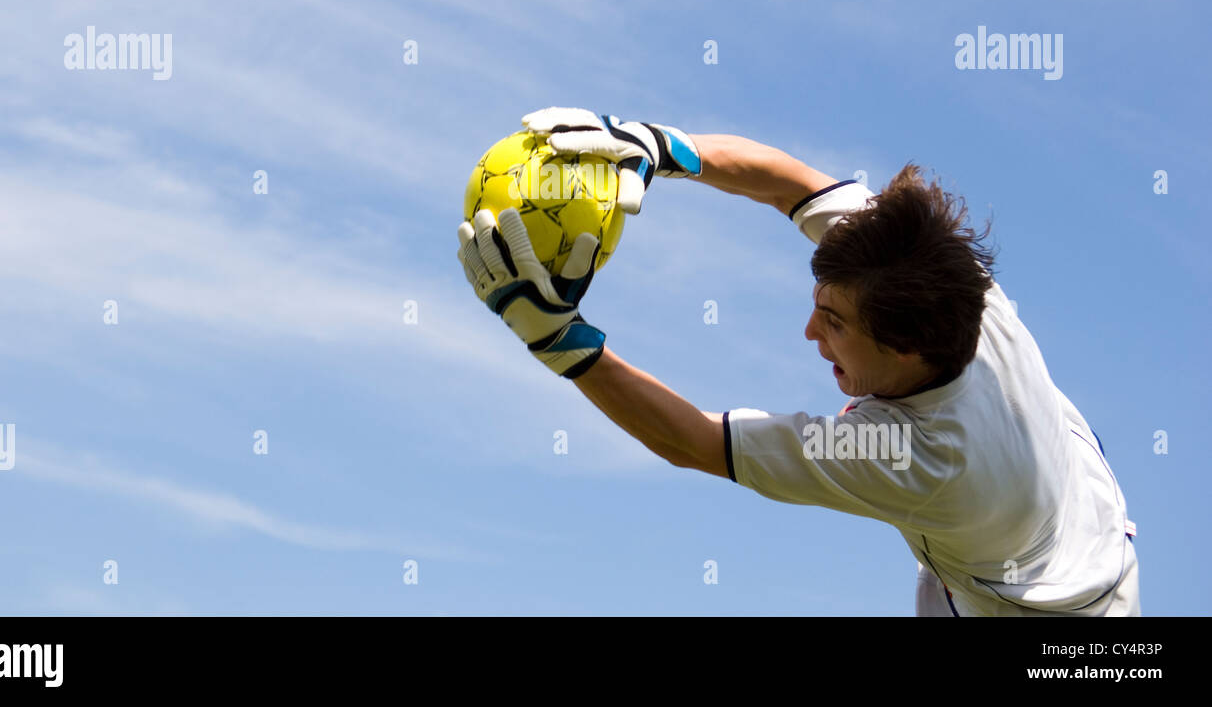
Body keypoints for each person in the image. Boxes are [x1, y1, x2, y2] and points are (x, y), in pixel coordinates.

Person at [456, 108, 1139, 616]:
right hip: (1082, 520)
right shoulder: (939, 273)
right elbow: (789, 184)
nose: (809, 331)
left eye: (834, 323)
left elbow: (694, 441)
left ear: (906, 346)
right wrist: (662, 147)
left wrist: (555, 338)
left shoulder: (912, 458)